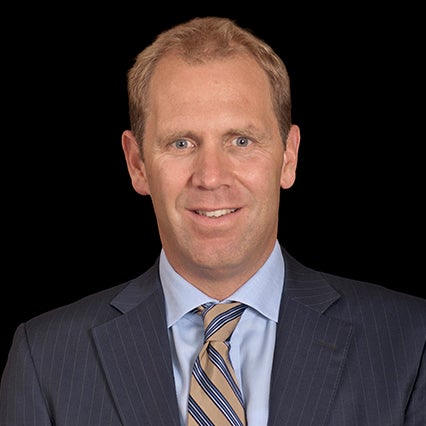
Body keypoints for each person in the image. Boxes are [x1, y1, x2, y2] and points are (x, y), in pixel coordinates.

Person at [1, 16, 425, 426]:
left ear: (288, 157)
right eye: (181, 143)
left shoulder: (411, 341)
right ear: (137, 164)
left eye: (241, 141)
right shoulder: (46, 360)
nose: (211, 176)